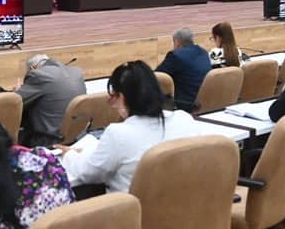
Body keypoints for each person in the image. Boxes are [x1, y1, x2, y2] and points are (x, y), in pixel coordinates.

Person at [58, 61, 200, 193]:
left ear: (124, 97)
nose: (111, 103)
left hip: (131, 215)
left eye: (114, 96)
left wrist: (69, 155)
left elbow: (87, 173)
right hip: (177, 208)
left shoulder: (117, 133)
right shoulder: (184, 119)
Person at [15, 54, 87, 146]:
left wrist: (17, 91)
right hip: (79, 137)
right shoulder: (76, 72)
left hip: (49, 140)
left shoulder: (38, 75)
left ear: (32, 68)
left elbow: (15, 103)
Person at [155, 27, 211, 110]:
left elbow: (157, 75)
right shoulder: (203, 52)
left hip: (185, 105)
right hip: (205, 102)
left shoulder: (176, 56)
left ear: (177, 42)